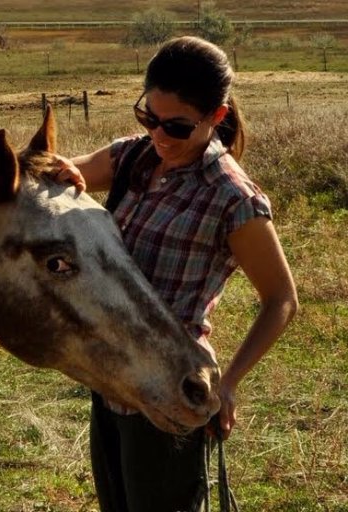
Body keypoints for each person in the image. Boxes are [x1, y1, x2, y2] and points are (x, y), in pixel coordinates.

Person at [54, 36, 298, 512]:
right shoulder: (132, 159)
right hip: (111, 386)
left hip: (172, 395)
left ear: (216, 118)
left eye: (178, 126)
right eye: (148, 116)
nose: (160, 135)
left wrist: (227, 384)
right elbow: (64, 173)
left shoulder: (231, 197)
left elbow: (282, 300)